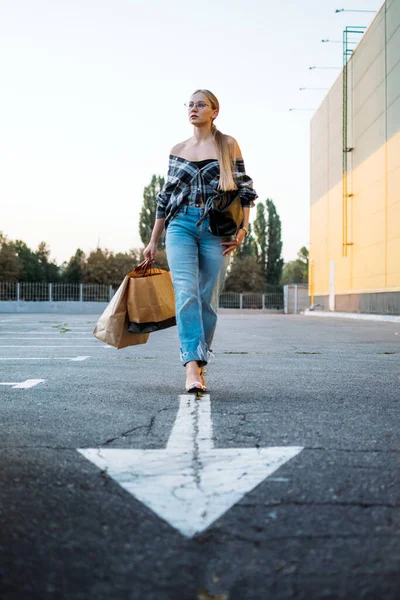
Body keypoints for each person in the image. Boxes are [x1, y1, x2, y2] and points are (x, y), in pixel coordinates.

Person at [143, 89, 258, 394]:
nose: (193, 109)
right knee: (186, 292)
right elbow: (165, 198)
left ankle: (200, 362)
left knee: (207, 297)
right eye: (190, 105)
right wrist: (153, 241)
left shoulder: (227, 144)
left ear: (214, 111)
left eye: (200, 105)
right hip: (179, 226)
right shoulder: (177, 149)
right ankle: (191, 367)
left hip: (216, 230)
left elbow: (245, 190)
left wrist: (242, 231)